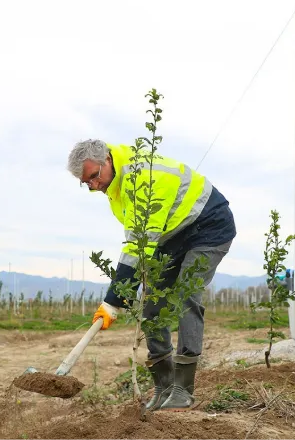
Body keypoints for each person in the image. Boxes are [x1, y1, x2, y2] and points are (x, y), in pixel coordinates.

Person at [66, 139, 236, 411]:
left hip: (208, 225)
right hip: (170, 237)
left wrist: (113, 301)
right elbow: (140, 241)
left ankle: (183, 389)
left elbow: (138, 245)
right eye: (86, 183)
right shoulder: (114, 184)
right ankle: (164, 386)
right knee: (152, 304)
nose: (93, 186)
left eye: (94, 177)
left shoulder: (140, 179)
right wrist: (121, 296)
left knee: (185, 296)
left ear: (107, 161)